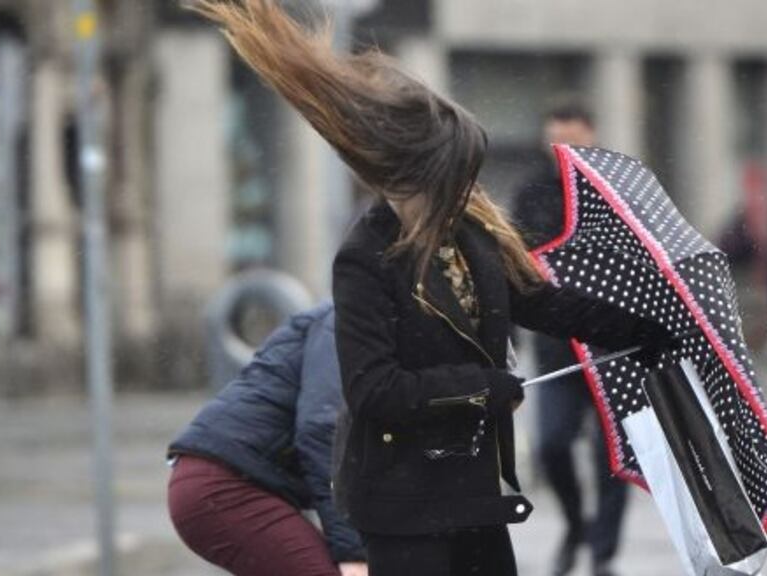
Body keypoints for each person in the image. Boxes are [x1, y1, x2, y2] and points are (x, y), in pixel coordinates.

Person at [188, 3, 675, 576]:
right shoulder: (365, 258)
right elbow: (373, 390)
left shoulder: (469, 236)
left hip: (474, 493)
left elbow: (542, 302)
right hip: (402, 506)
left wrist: (645, 324)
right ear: (414, 173)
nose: (466, 187)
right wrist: (483, 388)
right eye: (454, 173)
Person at [512, 102, 629, 576]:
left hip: (610, 342)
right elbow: (516, 258)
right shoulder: (532, 191)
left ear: (591, 134)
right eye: (554, 137)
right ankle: (576, 525)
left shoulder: (612, 186)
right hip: (554, 341)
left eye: (572, 136)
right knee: (552, 445)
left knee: (613, 455)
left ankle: (603, 550)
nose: (562, 147)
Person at [167, 303, 368, 576]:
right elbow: (324, 428)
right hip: (224, 486)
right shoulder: (349, 319)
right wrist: (352, 553)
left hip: (228, 480)